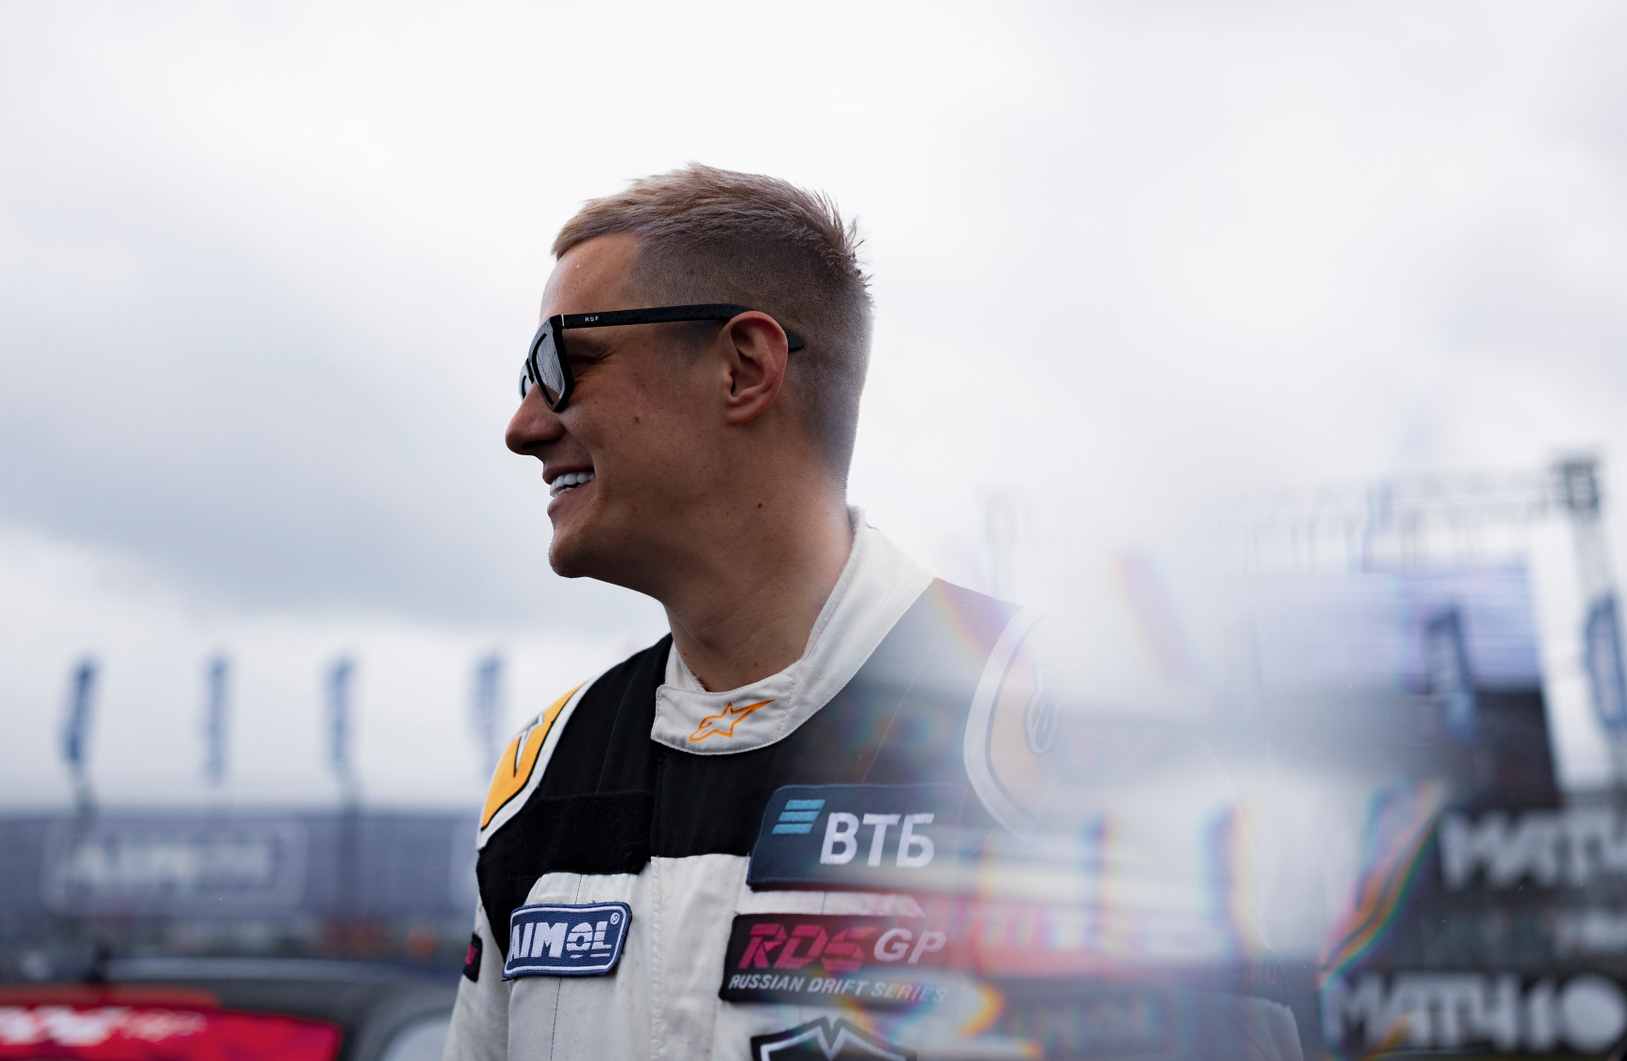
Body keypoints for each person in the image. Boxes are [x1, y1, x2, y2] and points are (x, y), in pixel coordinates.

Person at [444, 165, 1300, 1061]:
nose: (522, 425)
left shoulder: (1072, 734)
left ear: (744, 368)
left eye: (561, 365)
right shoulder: (547, 777)